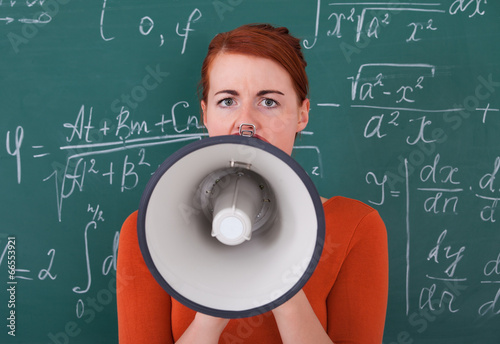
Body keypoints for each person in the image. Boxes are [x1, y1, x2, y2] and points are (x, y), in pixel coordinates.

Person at [117, 23, 388, 343]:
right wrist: (211, 309)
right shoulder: (147, 233)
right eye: (227, 101)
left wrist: (280, 277)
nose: (246, 122)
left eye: (269, 101)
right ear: (205, 114)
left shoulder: (356, 226)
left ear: (302, 114)